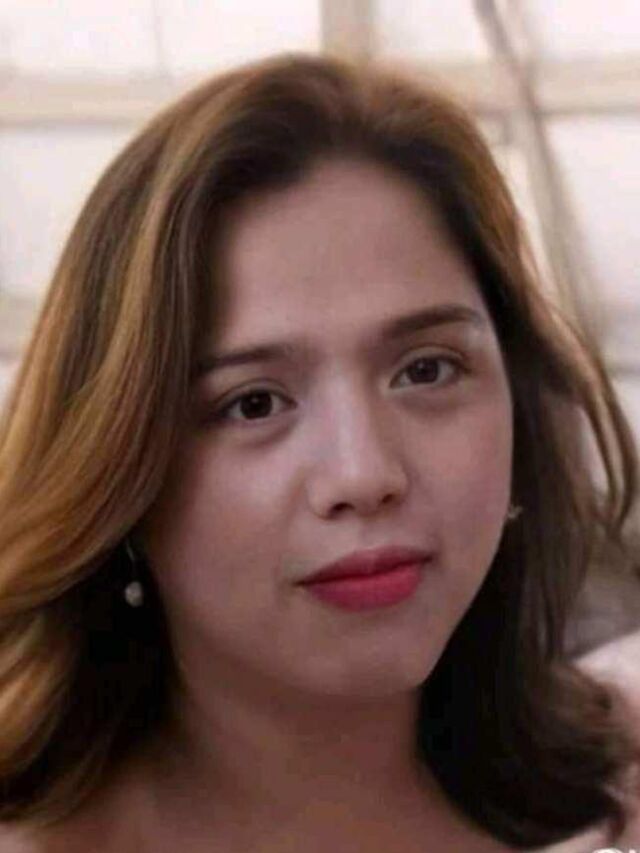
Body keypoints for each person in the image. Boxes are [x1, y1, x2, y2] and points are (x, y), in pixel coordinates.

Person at [0, 52, 638, 853]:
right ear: (117, 468)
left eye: (427, 369)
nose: (365, 474)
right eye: (254, 403)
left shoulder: (616, 789)